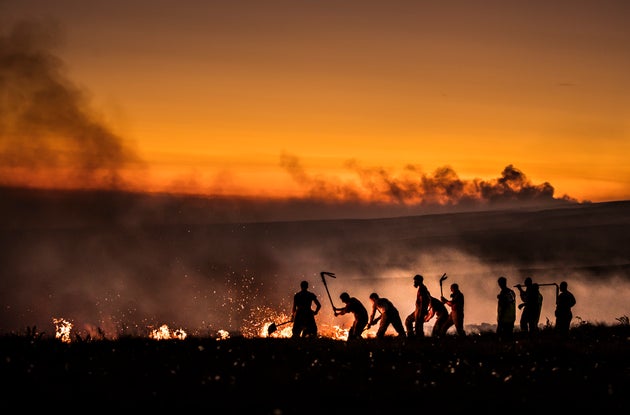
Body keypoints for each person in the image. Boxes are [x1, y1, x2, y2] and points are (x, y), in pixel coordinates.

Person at [405, 274, 431, 338]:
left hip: (420, 309)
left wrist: (421, 312)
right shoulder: (423, 288)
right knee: (410, 321)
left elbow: (423, 301)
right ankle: (413, 336)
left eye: (415, 281)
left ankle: (414, 338)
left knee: (417, 325)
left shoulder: (422, 289)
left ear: (419, 281)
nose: (414, 283)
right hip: (419, 309)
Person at [496, 276, 516, 341]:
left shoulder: (503, 293)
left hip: (504, 318)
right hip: (512, 317)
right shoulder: (512, 292)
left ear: (500, 284)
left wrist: (500, 317)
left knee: (502, 335)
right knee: (510, 334)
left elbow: (504, 305)